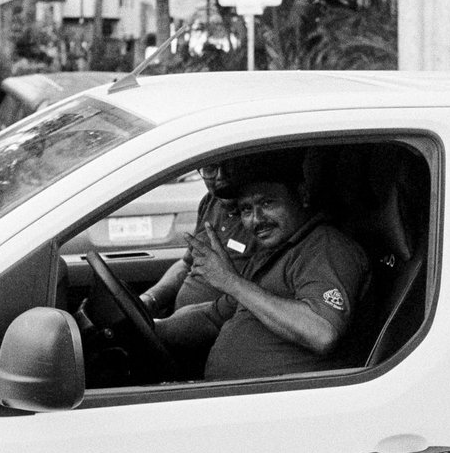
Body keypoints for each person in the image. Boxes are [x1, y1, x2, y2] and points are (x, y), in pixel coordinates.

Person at [156, 154, 370, 381]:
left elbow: (321, 332)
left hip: (286, 404)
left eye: (267, 203)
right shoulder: (270, 256)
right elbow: (212, 317)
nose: (256, 220)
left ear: (302, 195)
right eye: (246, 209)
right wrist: (154, 328)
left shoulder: (326, 248)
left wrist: (231, 281)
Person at [139, 162, 249, 316]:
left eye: (230, 166)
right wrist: (150, 299)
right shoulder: (210, 202)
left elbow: (245, 301)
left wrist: (169, 327)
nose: (220, 176)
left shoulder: (259, 221)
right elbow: (186, 264)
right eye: (210, 168)